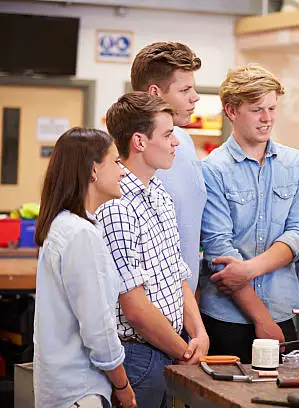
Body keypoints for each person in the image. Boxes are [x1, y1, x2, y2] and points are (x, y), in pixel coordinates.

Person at [97, 92, 209, 407]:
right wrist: (185, 352)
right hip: (137, 357)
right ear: (139, 142)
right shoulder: (116, 205)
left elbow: (176, 272)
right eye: (168, 134)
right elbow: (134, 308)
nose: (176, 143)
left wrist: (198, 333)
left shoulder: (158, 191)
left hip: (170, 350)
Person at [199, 64, 299, 363]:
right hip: (227, 319)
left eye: (272, 108)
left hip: (284, 311)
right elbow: (219, 250)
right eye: (257, 109)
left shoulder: (297, 164)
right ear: (232, 111)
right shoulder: (212, 170)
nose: (267, 119)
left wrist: (249, 269)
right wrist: (261, 319)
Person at [33, 128, 136, 408]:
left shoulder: (62, 225)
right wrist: (122, 385)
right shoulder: (80, 234)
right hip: (81, 390)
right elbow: (98, 330)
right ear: (93, 171)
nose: (123, 172)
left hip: (62, 387)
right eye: (116, 162)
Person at [131, 41, 205, 293]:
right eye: (185, 90)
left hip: (184, 303)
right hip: (148, 311)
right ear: (154, 93)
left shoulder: (183, 140)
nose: (195, 97)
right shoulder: (128, 153)